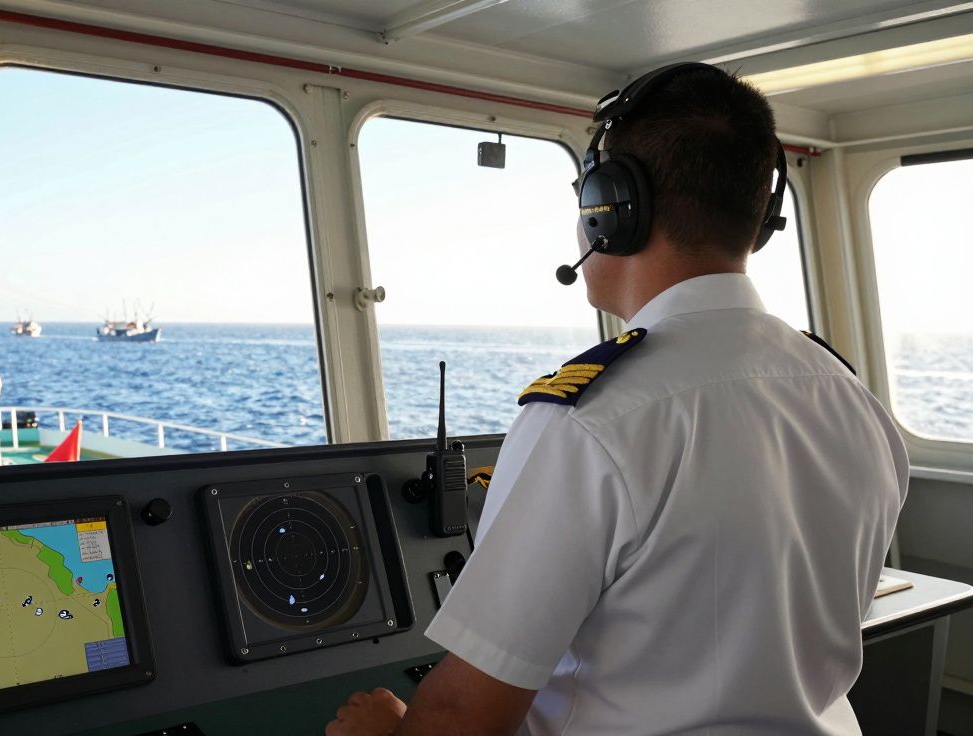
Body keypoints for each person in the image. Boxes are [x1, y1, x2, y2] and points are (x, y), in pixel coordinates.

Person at [326, 64, 908, 736]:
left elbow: (464, 717)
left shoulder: (590, 423)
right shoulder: (850, 398)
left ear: (613, 210)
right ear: (760, 212)